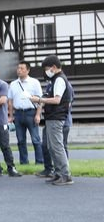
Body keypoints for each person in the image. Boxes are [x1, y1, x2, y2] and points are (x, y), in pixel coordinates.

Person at [30, 55, 73, 185]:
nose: (45, 72)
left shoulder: (59, 80)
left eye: (47, 69)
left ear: (54, 67)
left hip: (56, 117)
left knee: (57, 147)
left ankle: (65, 175)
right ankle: (59, 173)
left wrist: (39, 100)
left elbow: (57, 100)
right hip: (53, 117)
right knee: (52, 147)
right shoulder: (55, 80)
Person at [7, 60, 44, 167]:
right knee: (20, 140)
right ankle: (24, 162)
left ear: (28, 70)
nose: (19, 70)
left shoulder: (34, 82)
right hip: (18, 113)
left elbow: (40, 100)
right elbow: (10, 101)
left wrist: (38, 114)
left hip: (31, 113)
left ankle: (39, 161)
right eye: (18, 68)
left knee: (35, 139)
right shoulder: (13, 84)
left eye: (22, 68)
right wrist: (11, 116)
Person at [37, 79, 73, 178]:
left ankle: (65, 172)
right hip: (50, 119)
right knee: (48, 146)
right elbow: (44, 99)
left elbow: (66, 103)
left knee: (60, 147)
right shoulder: (50, 85)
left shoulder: (64, 85)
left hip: (61, 120)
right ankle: (54, 171)